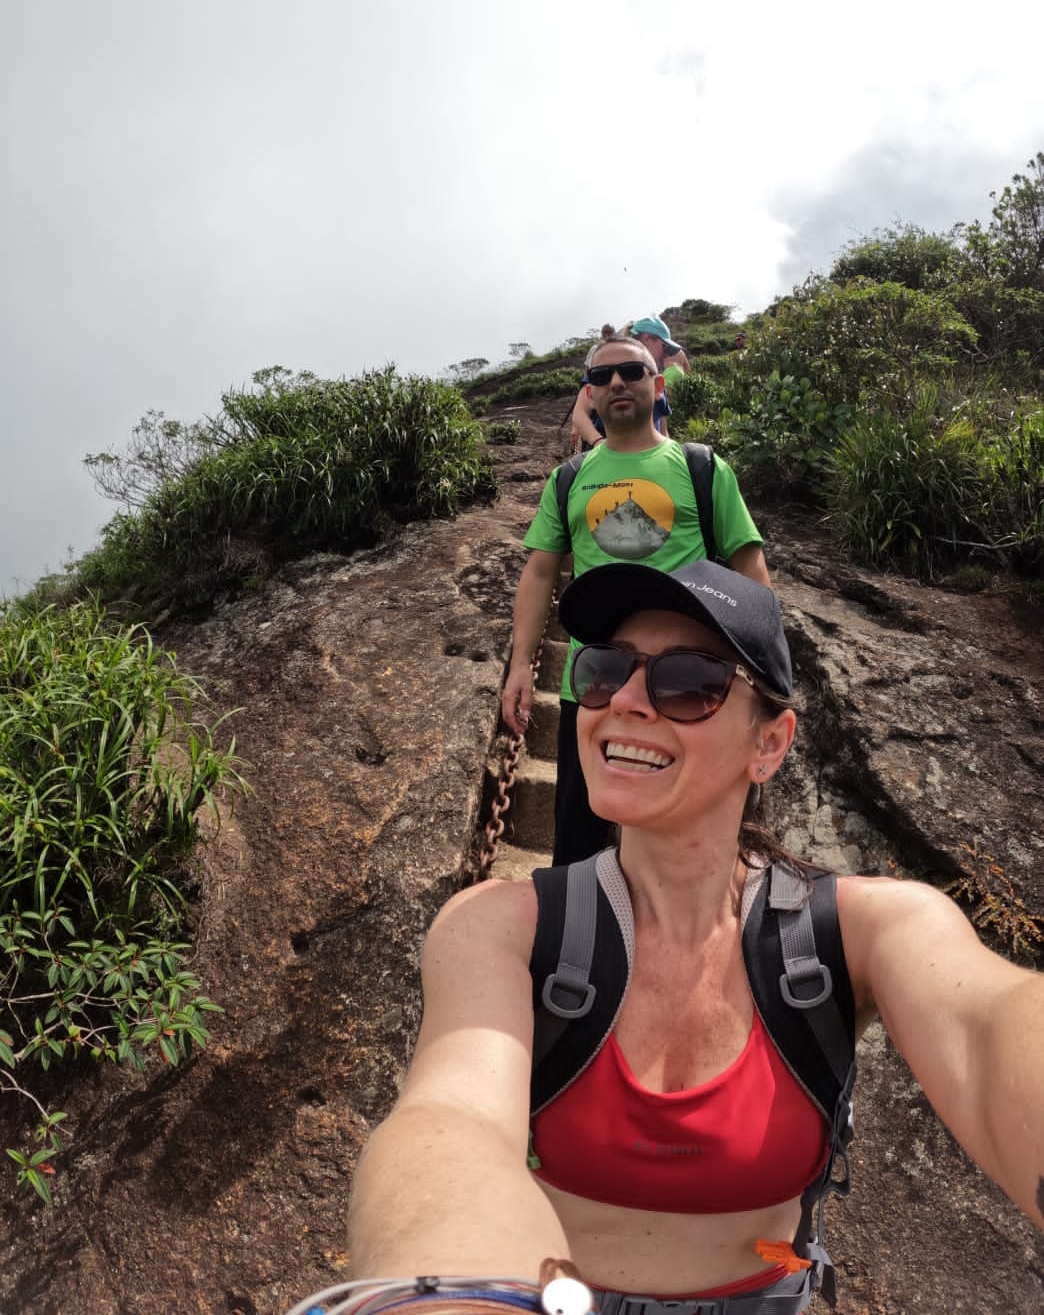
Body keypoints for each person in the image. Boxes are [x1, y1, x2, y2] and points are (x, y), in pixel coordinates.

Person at [347, 560, 1044, 1314]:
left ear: (770, 744)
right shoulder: (501, 926)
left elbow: (986, 1029)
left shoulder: (864, 931)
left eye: (689, 683)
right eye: (605, 671)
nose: (628, 703)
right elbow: (449, 1122)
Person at [503, 333, 769, 866]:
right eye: (601, 377)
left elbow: (748, 568)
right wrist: (519, 668)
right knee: (578, 837)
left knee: (686, 841)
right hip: (595, 681)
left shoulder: (701, 468)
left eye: (631, 371)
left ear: (659, 384)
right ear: (590, 396)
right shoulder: (568, 479)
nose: (617, 383)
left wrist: (763, 671)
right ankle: (578, 938)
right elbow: (538, 574)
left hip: (686, 681)